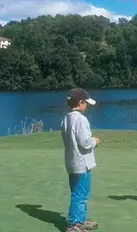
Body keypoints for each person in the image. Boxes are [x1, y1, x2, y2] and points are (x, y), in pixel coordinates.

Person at [60, 88, 101, 232]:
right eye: (86, 103)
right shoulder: (81, 120)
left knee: (79, 193)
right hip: (82, 164)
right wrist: (95, 141)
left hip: (72, 162)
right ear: (80, 102)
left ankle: (81, 219)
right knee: (80, 194)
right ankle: (73, 225)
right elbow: (85, 142)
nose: (87, 106)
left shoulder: (66, 118)